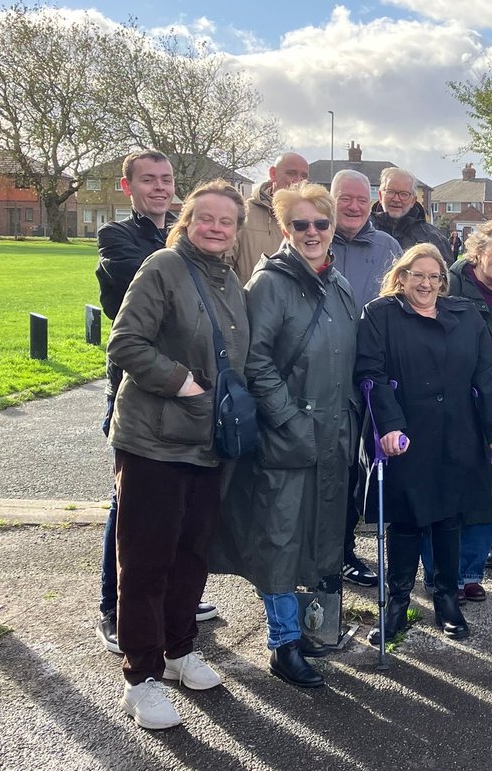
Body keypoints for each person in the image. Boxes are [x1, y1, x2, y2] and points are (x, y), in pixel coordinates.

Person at [107, 179, 249, 730]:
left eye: (226, 221)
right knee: (145, 560)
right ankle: (140, 675)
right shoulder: (163, 267)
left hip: (206, 442)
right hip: (154, 440)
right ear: (186, 220)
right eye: (205, 217)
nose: (215, 227)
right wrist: (180, 381)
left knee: (192, 554)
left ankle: (178, 650)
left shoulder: (230, 281)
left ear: (236, 232)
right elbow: (125, 343)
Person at [212, 182, 358, 688]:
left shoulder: (339, 284)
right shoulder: (269, 284)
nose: (312, 232)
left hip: (335, 437)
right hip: (289, 436)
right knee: (280, 537)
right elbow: (255, 362)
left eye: (321, 223)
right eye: (301, 224)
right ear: (284, 229)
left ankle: (316, 630)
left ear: (333, 226)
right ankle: (283, 643)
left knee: (320, 536)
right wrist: (290, 420)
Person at [355, 244, 492, 644]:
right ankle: (398, 603)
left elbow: (485, 378)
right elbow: (370, 373)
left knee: (450, 517)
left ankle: (447, 598)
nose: (426, 283)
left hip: (458, 431)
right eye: (418, 275)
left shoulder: (465, 316)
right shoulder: (381, 314)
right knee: (407, 519)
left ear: (443, 281)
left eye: (434, 277)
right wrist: (389, 426)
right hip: (408, 434)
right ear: (402, 276)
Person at [93, 149, 216, 656]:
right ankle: (114, 608)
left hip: (188, 396)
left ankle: (168, 606)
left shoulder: (187, 242)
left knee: (182, 510)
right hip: (138, 388)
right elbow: (143, 309)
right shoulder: (120, 240)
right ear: (129, 188)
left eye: (167, 180)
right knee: (132, 504)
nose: (161, 188)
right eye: (149, 180)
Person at [424, 220, 492, 600]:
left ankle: (469, 572)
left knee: (484, 492)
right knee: (442, 489)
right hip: (445, 403)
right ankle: (437, 573)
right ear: (477, 250)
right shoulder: (448, 286)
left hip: (490, 405)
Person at [327, 169, 402, 591]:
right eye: (345, 198)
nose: (353, 207)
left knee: (364, 468)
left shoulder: (388, 246)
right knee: (330, 466)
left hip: (372, 374)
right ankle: (327, 552)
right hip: (326, 375)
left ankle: (346, 548)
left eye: (361, 199)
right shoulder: (317, 239)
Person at [229, 152, 311, 284]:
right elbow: (223, 267)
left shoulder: (314, 222)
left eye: (304, 176)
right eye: (291, 173)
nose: (298, 181)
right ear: (273, 174)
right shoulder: (243, 214)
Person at [371, 166, 453, 263]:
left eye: (404, 194)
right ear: (380, 196)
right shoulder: (363, 230)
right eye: (390, 192)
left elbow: (445, 276)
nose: (396, 199)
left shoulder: (434, 238)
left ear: (413, 200)